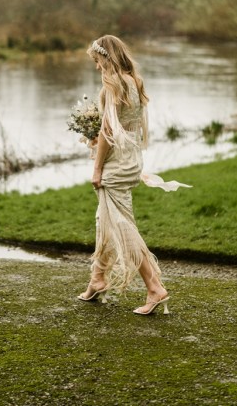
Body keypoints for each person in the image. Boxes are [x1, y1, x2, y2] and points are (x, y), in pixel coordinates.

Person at [77, 35, 190, 314]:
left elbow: (107, 131)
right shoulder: (134, 81)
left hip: (115, 166)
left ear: (106, 57)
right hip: (131, 160)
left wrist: (97, 168)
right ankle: (97, 279)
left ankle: (154, 287)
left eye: (97, 61)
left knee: (122, 227)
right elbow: (130, 127)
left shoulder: (112, 86)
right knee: (106, 219)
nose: (96, 67)